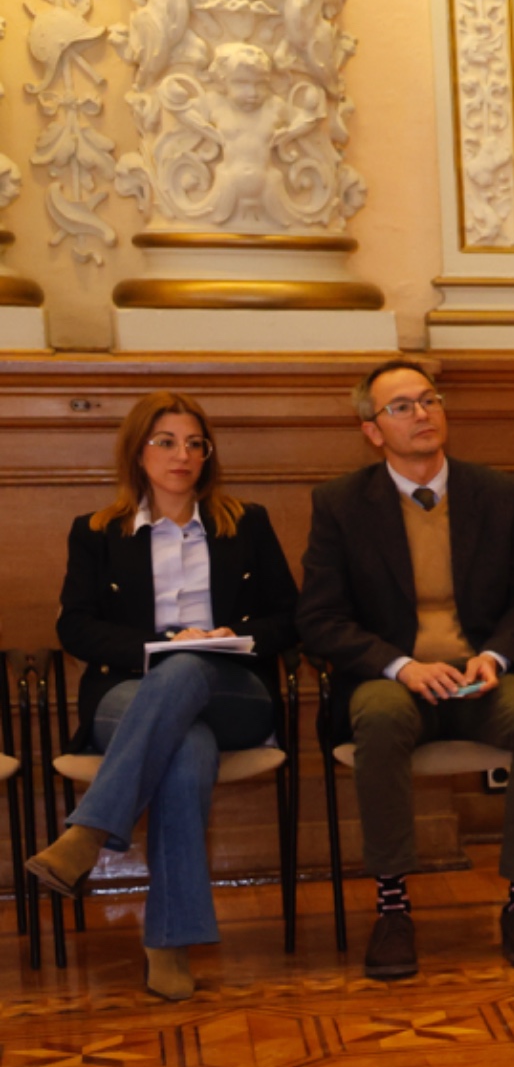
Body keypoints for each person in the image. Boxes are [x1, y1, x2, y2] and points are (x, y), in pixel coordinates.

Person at [24, 391, 301, 1001]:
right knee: (185, 743)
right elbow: (76, 627)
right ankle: (169, 941)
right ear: (137, 451)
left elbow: (291, 617)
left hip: (233, 692)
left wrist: (230, 635)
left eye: (195, 444)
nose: (183, 455)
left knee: (190, 669)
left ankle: (90, 832)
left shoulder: (246, 523)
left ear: (208, 454)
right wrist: (161, 644)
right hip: (130, 692)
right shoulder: (97, 532)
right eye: (166, 442)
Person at [297, 358, 514, 980]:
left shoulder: (499, 495)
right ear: (373, 430)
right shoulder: (340, 504)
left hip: (481, 677)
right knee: (380, 721)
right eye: (402, 407)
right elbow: (320, 618)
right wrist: (400, 667)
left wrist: (495, 655)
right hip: (393, 681)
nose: (422, 414)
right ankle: (393, 906)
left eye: (429, 400)